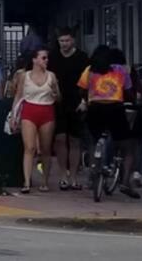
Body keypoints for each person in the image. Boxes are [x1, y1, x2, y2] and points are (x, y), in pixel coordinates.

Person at [78, 44, 140, 199]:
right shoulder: (120, 71)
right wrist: (134, 102)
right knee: (128, 146)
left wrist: (88, 99)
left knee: (93, 142)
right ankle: (125, 182)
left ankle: (94, 173)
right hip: (115, 110)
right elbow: (128, 92)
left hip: (95, 110)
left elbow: (81, 89)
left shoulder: (89, 70)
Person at [10, 47, 59, 193]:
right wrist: (14, 115)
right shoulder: (24, 76)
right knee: (29, 147)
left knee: (45, 148)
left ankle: (44, 181)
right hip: (29, 110)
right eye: (43, 58)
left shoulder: (51, 76)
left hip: (47, 110)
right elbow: (18, 96)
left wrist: (55, 91)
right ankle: (26, 182)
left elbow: (58, 97)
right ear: (34, 60)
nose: (46, 60)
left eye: (47, 58)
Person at [49, 28, 89, 191]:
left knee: (74, 140)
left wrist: (84, 100)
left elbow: (88, 81)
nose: (64, 44)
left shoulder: (82, 57)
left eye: (67, 40)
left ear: (73, 40)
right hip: (57, 101)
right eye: (61, 41)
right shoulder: (52, 57)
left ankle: (73, 176)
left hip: (76, 102)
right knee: (59, 138)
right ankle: (63, 175)